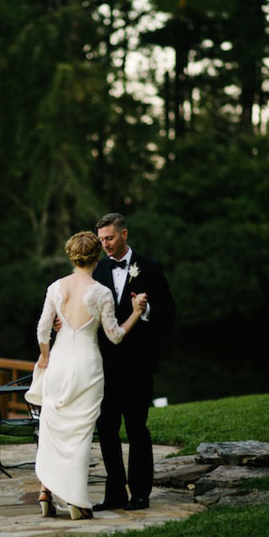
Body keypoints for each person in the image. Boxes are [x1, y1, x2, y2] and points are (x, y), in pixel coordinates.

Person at [29, 231, 147, 521]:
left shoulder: (56, 287)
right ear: (96, 257)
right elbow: (116, 336)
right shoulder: (100, 292)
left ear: (71, 255)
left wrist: (45, 356)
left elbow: (42, 330)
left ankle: (45, 490)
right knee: (80, 434)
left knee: (53, 428)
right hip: (87, 366)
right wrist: (135, 312)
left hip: (57, 364)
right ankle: (76, 502)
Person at [92, 212, 176, 512]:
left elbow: (169, 313)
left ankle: (140, 493)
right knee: (106, 426)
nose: (105, 245)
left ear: (124, 234)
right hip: (105, 365)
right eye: (101, 240)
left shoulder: (150, 268)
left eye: (110, 238)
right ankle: (114, 492)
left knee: (137, 427)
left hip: (138, 364)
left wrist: (146, 308)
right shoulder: (97, 270)